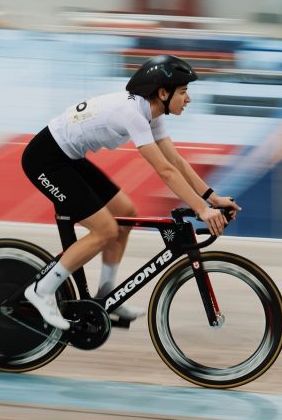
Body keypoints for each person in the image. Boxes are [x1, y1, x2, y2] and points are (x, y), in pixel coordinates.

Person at [20, 55, 240, 330]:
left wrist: (212, 198)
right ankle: (41, 291)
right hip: (45, 160)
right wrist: (201, 210)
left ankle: (106, 294)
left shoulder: (152, 113)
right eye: (183, 92)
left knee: (126, 212)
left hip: (69, 158)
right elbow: (165, 171)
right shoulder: (133, 114)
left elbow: (176, 162)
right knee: (105, 231)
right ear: (163, 92)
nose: (188, 99)